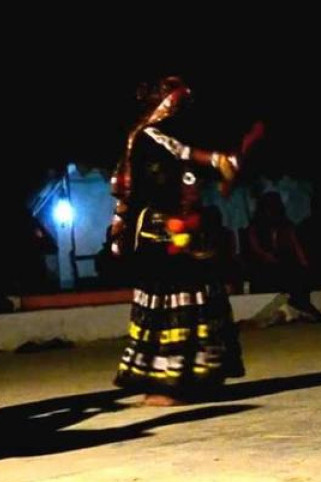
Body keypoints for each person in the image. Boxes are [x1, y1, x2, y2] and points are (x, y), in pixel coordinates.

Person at [108, 76, 262, 406]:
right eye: (175, 102)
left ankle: (184, 383)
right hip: (162, 233)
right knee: (171, 302)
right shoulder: (148, 137)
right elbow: (131, 188)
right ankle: (171, 384)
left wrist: (221, 165)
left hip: (184, 231)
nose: (179, 108)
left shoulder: (169, 137)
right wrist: (120, 228)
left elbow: (196, 169)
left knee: (195, 301)